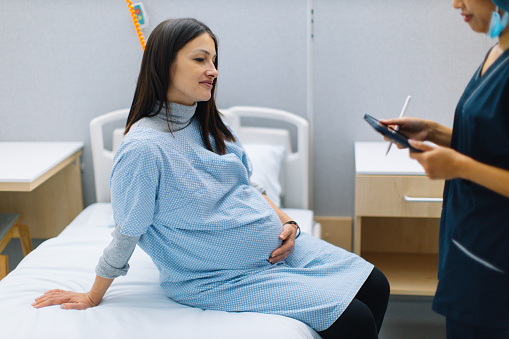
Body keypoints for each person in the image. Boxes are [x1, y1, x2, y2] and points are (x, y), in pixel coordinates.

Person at [32, 18, 389, 338]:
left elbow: (248, 187)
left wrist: (288, 223)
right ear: (165, 63)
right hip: (218, 278)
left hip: (281, 251)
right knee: (355, 320)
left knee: (377, 284)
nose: (213, 70)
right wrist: (94, 294)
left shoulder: (209, 124)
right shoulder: (143, 149)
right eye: (201, 59)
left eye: (215, 61)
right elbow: (128, 230)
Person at [382, 1, 509, 337]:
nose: (456, 3)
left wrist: (459, 166)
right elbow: (495, 142)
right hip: (469, 246)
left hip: (497, 263)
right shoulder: (497, 52)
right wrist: (435, 132)